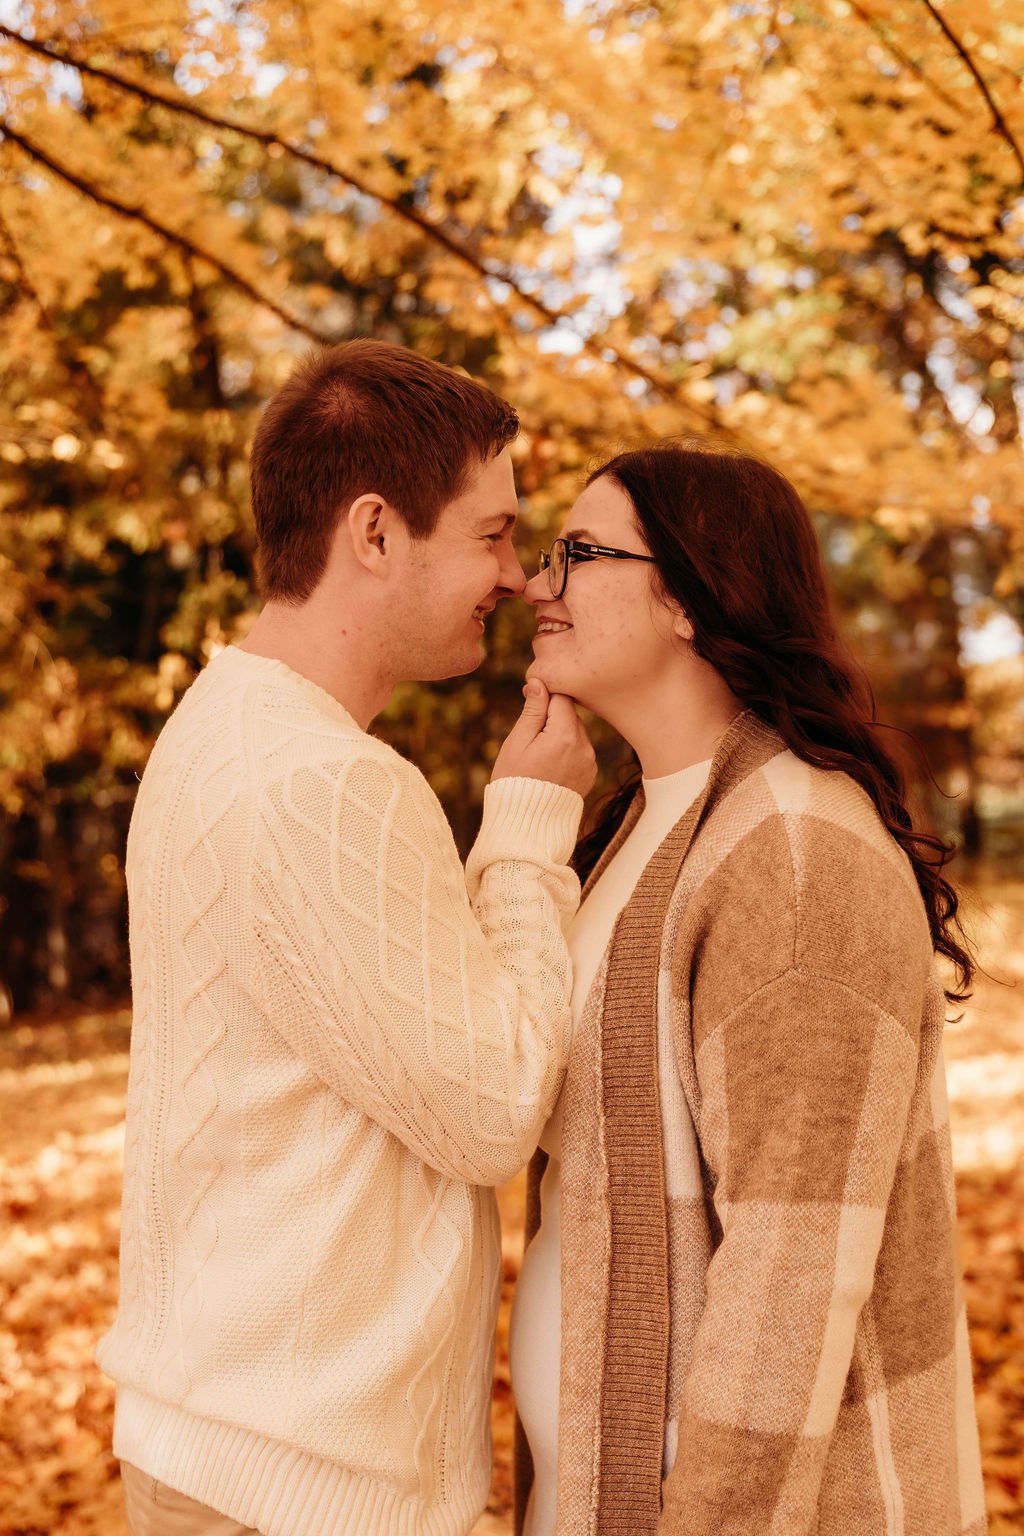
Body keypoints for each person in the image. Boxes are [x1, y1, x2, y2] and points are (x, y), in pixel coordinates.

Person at [96, 339, 596, 1536]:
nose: (521, 578)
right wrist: (528, 827)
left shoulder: (214, 726)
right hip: (301, 1482)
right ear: (373, 532)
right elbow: (491, 1113)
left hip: (214, 1442)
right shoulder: (330, 783)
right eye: (490, 535)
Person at [509, 440, 987, 1536]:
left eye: (579, 553)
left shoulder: (792, 852)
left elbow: (791, 1268)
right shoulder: (645, 825)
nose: (541, 583)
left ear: (686, 594)